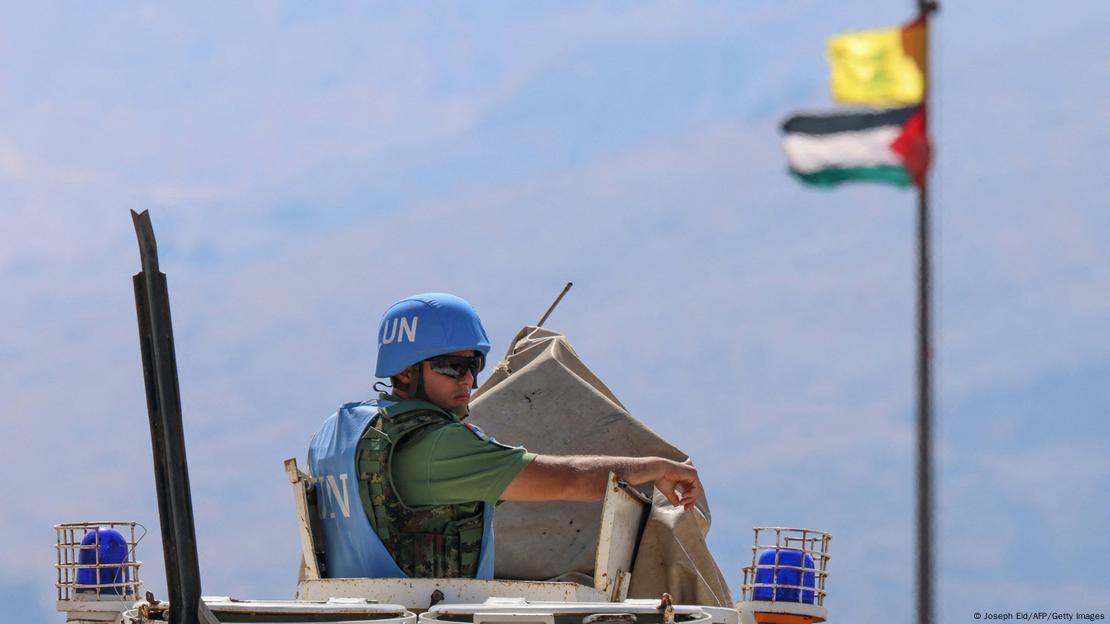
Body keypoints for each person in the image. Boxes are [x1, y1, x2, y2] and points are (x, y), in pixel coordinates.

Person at [308, 293, 701, 580]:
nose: (469, 380)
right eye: (451, 366)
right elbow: (569, 479)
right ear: (405, 372)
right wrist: (653, 466)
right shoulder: (438, 446)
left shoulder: (335, 433)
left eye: (473, 364)